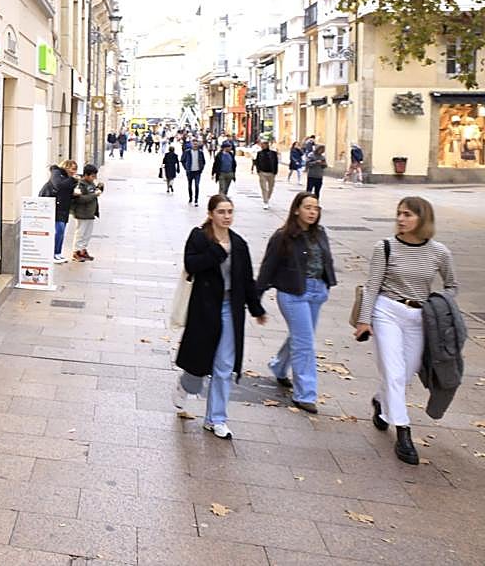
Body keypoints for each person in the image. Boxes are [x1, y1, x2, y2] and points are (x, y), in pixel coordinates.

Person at [354, 197, 461, 465]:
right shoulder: (385, 247)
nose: (401, 219)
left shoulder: (439, 252)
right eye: (399, 213)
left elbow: (452, 286)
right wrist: (364, 320)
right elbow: (372, 286)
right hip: (387, 310)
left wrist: (440, 306)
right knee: (393, 371)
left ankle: (380, 401)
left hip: (419, 317)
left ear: (422, 219)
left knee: (406, 374)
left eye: (408, 215)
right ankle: (403, 431)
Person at [172, 195, 269, 438]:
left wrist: (256, 308)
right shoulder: (199, 237)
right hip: (204, 309)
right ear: (211, 214)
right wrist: (216, 252)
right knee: (198, 362)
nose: (227, 217)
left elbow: (247, 280)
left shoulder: (239, 244)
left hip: (230, 309)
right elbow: (191, 265)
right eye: (221, 212)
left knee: (224, 366)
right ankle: (186, 385)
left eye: (230, 212)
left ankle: (216, 419)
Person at [256, 193, 336, 413]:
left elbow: (325, 260)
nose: (312, 212)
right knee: (305, 343)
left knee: (301, 336)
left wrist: (327, 282)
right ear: (296, 210)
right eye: (308, 207)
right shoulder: (283, 236)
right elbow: (267, 268)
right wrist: (256, 299)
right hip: (293, 293)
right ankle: (305, 394)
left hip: (317, 292)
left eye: (316, 208)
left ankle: (279, 366)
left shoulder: (320, 233)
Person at [39, 159, 78, 264]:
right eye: (72, 169)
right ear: (66, 166)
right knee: (59, 230)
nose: (74, 171)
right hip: (53, 206)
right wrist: (73, 180)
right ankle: (53, 253)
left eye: (75, 169)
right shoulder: (57, 173)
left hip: (63, 207)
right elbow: (59, 186)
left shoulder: (67, 178)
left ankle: (58, 253)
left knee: (62, 230)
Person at [70, 164, 103, 261]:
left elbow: (92, 193)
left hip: (90, 213)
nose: (94, 178)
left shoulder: (91, 183)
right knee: (80, 233)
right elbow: (80, 199)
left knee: (87, 234)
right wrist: (94, 195)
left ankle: (83, 250)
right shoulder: (80, 184)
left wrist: (98, 189)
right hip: (82, 213)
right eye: (92, 176)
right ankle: (76, 252)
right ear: (86, 175)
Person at [252, 139, 280, 210]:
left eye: (264, 144)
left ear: (267, 145)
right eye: (262, 145)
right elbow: (257, 162)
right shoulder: (259, 153)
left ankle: (267, 198)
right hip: (262, 172)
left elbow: (276, 162)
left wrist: (275, 172)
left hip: (271, 172)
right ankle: (265, 201)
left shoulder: (273, 153)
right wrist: (258, 171)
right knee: (264, 188)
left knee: (271, 188)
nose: (262, 146)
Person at [181, 138, 207, 206]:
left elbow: (203, 162)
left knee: (197, 185)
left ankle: (196, 200)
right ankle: (190, 198)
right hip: (190, 172)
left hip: (197, 172)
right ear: (191, 144)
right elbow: (182, 160)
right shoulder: (187, 152)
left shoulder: (200, 152)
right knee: (189, 185)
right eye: (194, 144)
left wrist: (201, 168)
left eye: (196, 144)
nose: (195, 145)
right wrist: (186, 168)